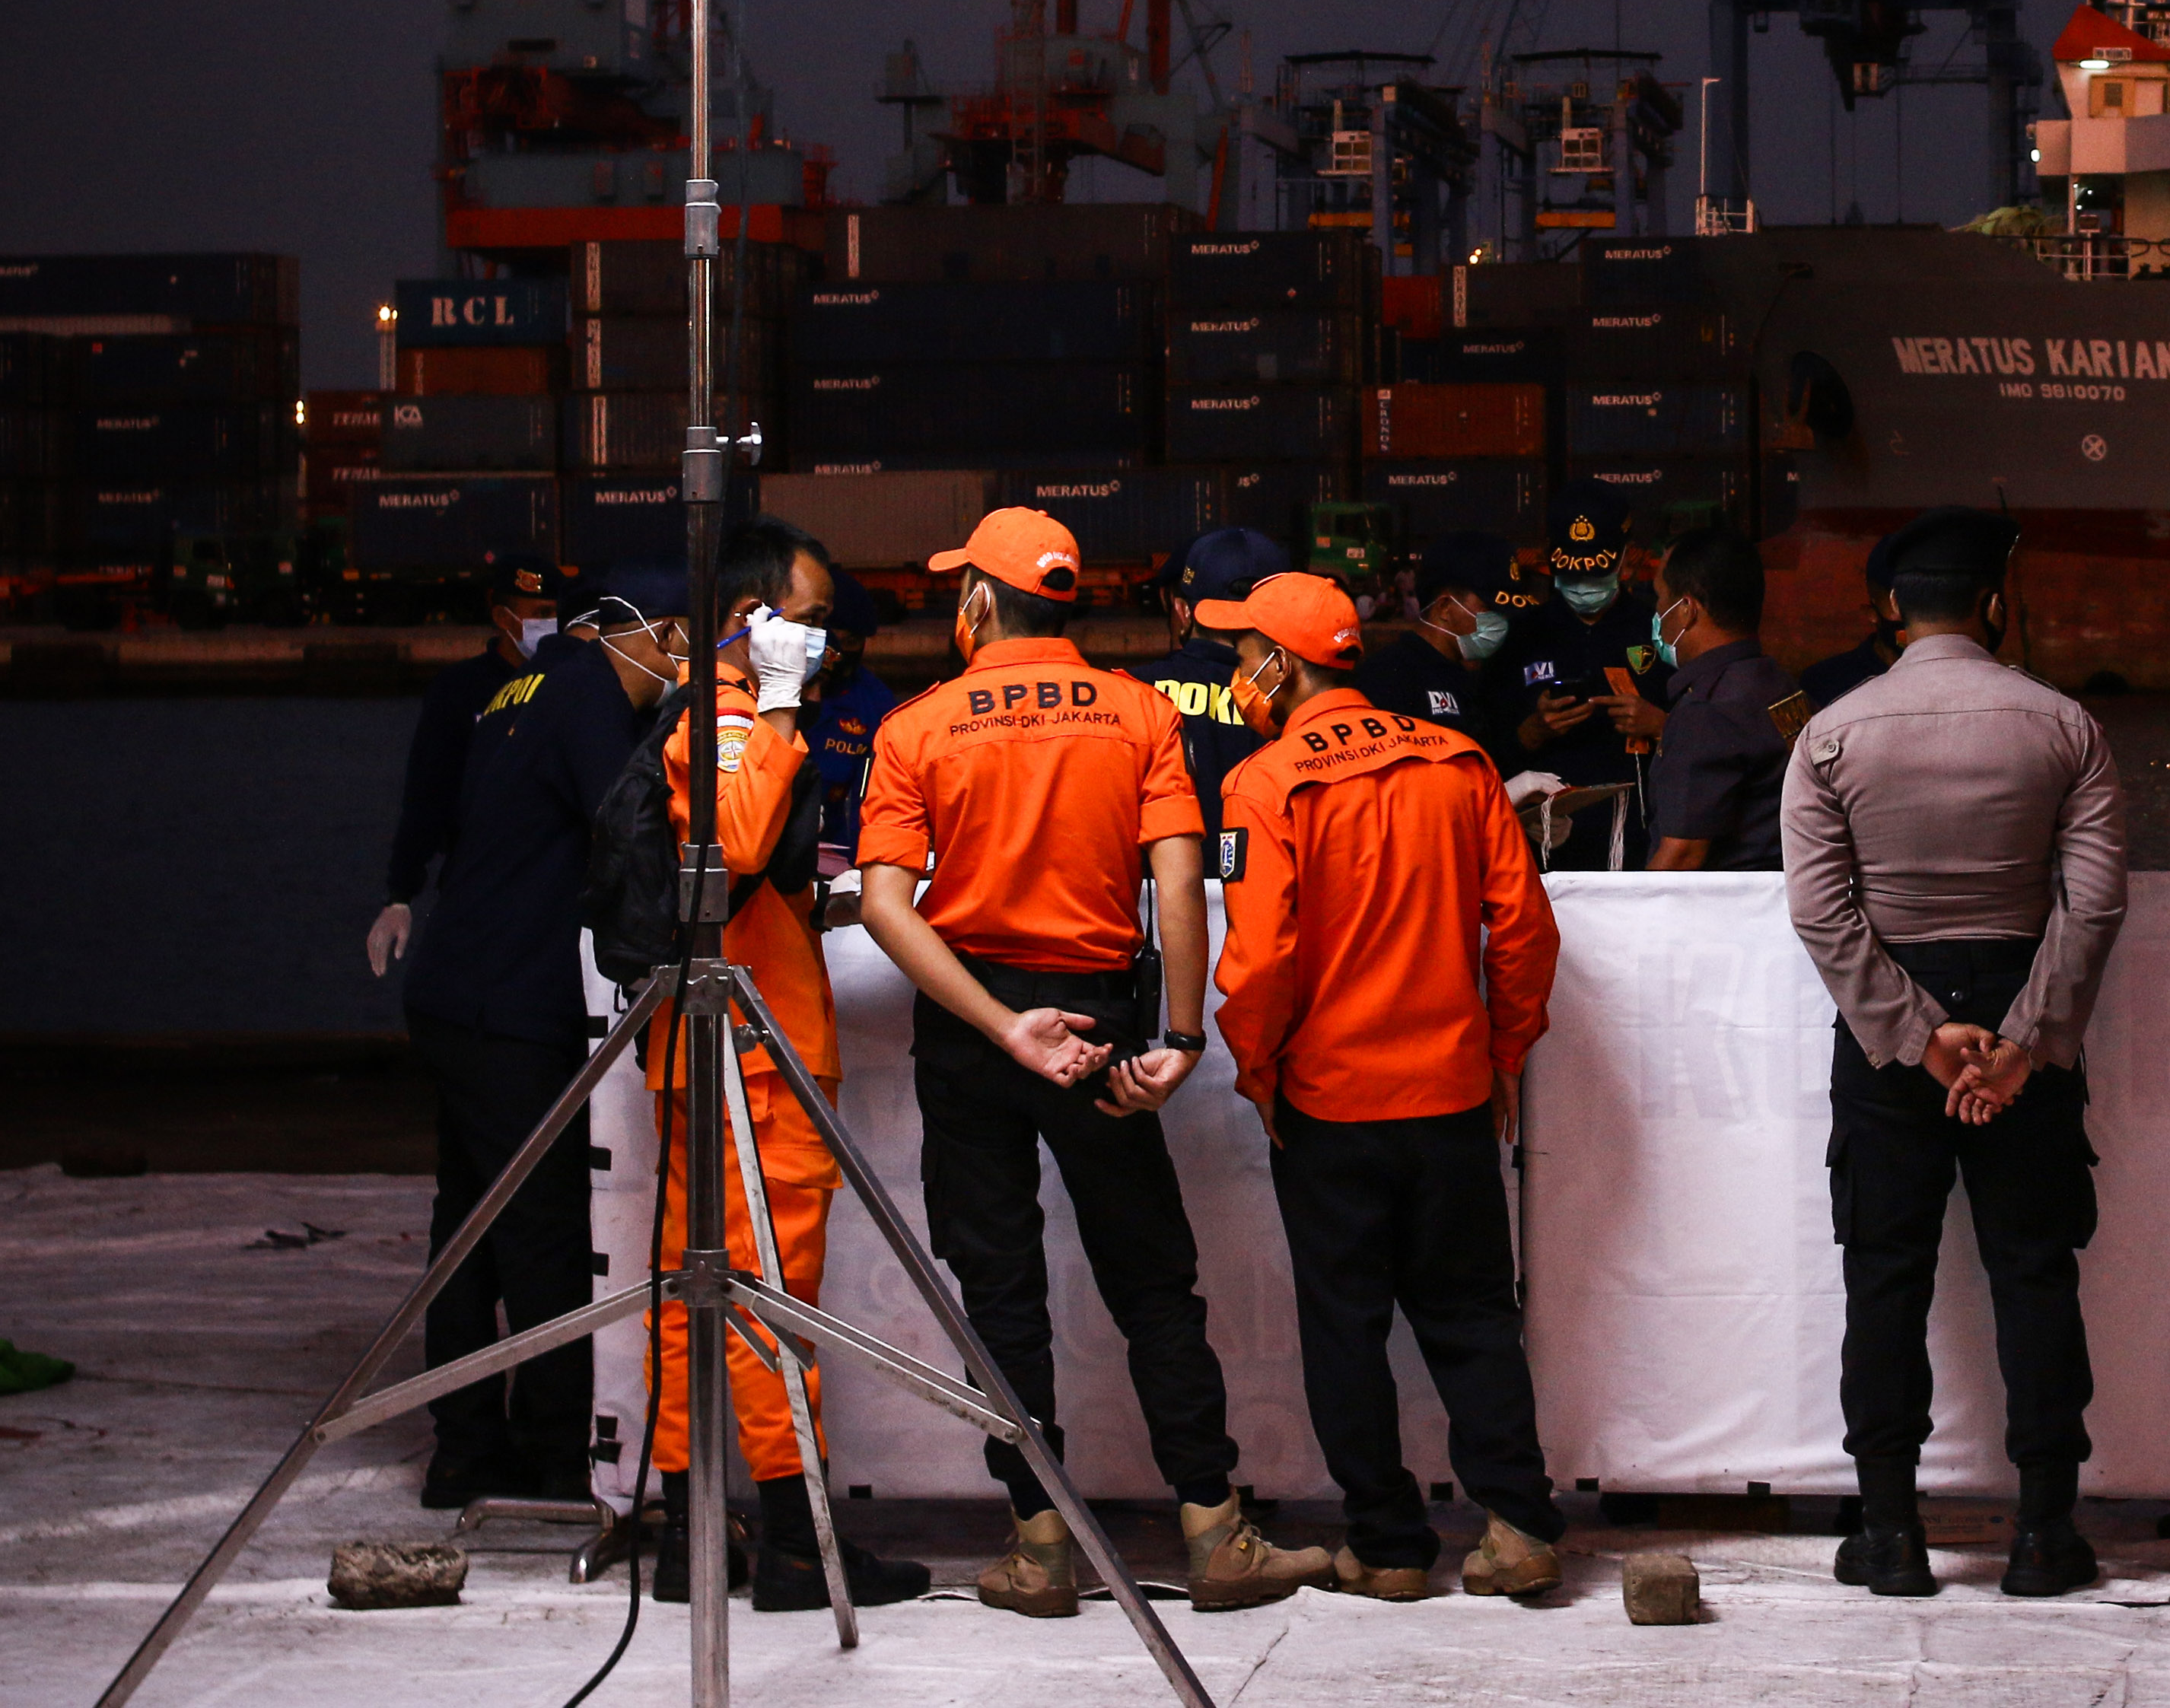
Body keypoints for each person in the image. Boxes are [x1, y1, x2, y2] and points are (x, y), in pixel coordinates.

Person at [858, 508, 1327, 1617]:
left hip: (979, 1030)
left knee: (1001, 1286)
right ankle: (1215, 1532)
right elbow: (1177, 879)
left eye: (955, 588)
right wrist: (1177, 1033)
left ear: (978, 600)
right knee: (1154, 1281)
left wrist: (999, 1023)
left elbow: (884, 904)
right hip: (1110, 1016)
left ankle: (1039, 1545)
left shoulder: (915, 726)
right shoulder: (1138, 709)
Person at [1781, 507, 2127, 1601]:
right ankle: (2041, 1532)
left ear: (1891, 610)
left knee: (1884, 1275)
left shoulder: (1831, 734)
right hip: (2024, 1016)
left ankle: (1888, 1530)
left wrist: (1915, 1032)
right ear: (1992, 603)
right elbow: (2094, 899)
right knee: (2032, 1271)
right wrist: (2024, 1039)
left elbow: (1822, 912)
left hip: (1893, 1043)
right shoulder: (2064, 725)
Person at [1206, 572, 1568, 1604]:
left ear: (1280, 664)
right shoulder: (1459, 760)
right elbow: (1525, 929)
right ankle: (1517, 1523)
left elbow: (1261, 958)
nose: (1238, 675)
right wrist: (1505, 1051)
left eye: (1242, 657)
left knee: (1344, 1323)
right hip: (1452, 1093)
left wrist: (1257, 1066)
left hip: (1328, 1102)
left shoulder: (1264, 782)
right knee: (1472, 1317)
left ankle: (1390, 1544)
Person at [640, 516, 931, 1613]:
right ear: (747, 618)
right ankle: (795, 1544)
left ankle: (685, 1532)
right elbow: (743, 843)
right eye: (805, 622)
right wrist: (770, 701)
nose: (822, 642)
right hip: (747, 1058)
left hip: (707, 1046)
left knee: (690, 1293)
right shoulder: (723, 720)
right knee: (767, 1298)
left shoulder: (706, 718)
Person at [373, 577, 659, 1509]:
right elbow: (629, 827)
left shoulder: (523, 683)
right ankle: (551, 1449)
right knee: (540, 1232)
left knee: (467, 1226)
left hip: (461, 993)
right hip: (513, 1007)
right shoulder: (585, 695)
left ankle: (462, 1444)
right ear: (644, 636)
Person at [367, 549, 567, 996]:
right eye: (539, 614)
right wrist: (400, 894)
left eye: (556, 613)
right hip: (479, 884)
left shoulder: (572, 683)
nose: (549, 625)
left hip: (555, 888)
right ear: (503, 617)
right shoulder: (459, 691)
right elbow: (427, 795)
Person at [1640, 526, 1806, 871]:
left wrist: (1630, 923)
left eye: (1659, 598)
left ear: (1686, 610)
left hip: (1722, 917)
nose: (1657, 613)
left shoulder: (1706, 710)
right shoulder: (1778, 684)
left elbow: (1681, 859)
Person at [1128, 526, 1297, 850]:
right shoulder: (1302, 702)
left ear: (1183, 610)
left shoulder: (1131, 692)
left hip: (1162, 894)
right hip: (1276, 890)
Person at [1509, 486, 1662, 816]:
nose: (1583, 584)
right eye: (1572, 572)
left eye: (1596, 572)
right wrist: (1531, 732)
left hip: (1637, 824)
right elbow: (1490, 736)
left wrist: (1660, 725)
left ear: (1625, 557)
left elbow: (1701, 730)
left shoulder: (1656, 628)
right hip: (1548, 830)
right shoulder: (1522, 634)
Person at [1352, 529, 1526, 768]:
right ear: (1445, 608)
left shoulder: (1474, 678)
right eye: (1490, 609)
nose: (1501, 622)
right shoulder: (1387, 679)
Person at [803, 578, 899, 886]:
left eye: (852, 641)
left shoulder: (875, 705)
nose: (839, 652)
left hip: (839, 860)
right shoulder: (773, 684)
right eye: (831, 640)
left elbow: (878, 805)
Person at [1794, 521, 1916, 711]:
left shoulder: (1947, 676)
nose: (1912, 616)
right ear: (1870, 613)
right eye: (1898, 604)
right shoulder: (1825, 682)